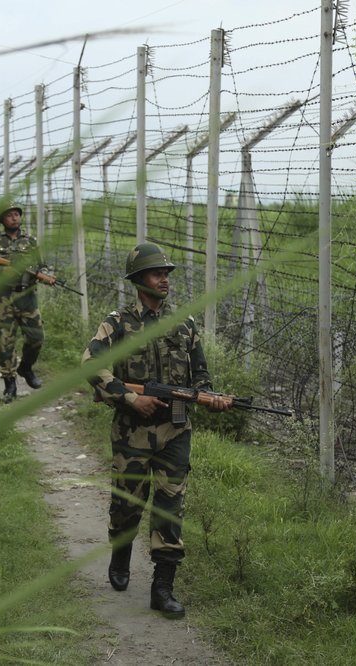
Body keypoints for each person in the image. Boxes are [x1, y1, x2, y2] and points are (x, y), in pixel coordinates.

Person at [81, 242, 232, 620]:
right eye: (156, 273)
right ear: (138, 281)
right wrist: (132, 400)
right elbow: (90, 366)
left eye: (166, 273)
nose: (164, 279)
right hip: (131, 433)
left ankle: (162, 588)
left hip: (175, 430)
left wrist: (209, 397)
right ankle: (121, 556)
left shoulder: (185, 323)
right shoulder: (116, 324)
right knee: (127, 505)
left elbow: (201, 375)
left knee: (170, 508)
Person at [0, 202, 55, 403]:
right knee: (6, 341)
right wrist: (1, 271)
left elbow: (43, 264)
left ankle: (26, 367)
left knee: (36, 337)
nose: (14, 218)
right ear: (2, 220)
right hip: (5, 298)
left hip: (27, 297)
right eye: (9, 215)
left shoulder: (31, 242)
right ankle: (9, 384)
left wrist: (45, 274)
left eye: (17, 214)